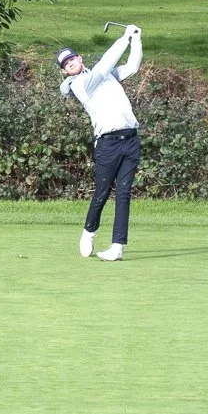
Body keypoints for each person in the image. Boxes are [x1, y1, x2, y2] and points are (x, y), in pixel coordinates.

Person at [56, 24, 142, 261]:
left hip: (131, 140)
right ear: (65, 72)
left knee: (123, 194)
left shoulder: (104, 77)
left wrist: (136, 40)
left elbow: (132, 67)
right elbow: (104, 65)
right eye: (66, 64)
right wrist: (124, 39)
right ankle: (89, 231)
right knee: (103, 192)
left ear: (80, 58)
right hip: (107, 144)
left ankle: (117, 247)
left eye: (72, 59)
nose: (71, 64)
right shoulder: (80, 85)